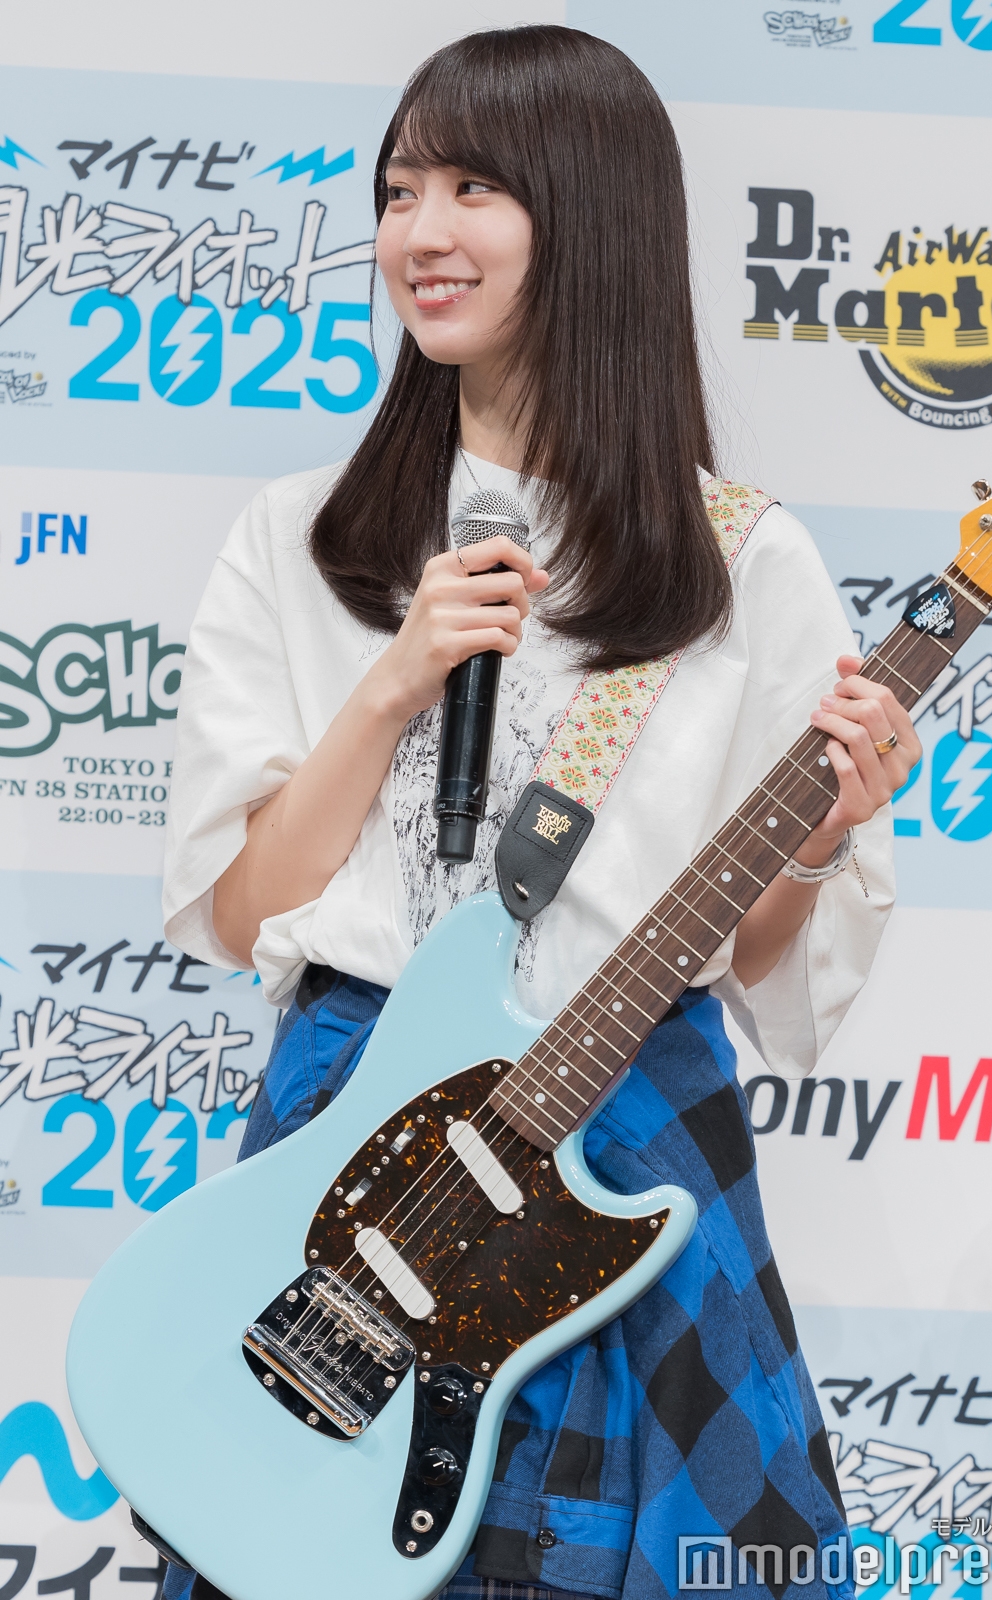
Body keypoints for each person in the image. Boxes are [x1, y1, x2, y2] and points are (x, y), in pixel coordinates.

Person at [161, 25, 919, 1600]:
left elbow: (758, 958)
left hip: (623, 1136)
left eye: (472, 189)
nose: (418, 235)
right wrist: (392, 685)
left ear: (590, 214)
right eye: (397, 192)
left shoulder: (741, 560)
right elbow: (242, 914)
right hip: (349, 1138)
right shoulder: (295, 539)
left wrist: (817, 840)